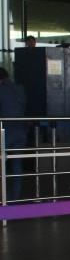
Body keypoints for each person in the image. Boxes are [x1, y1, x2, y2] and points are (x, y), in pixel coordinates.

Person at [0, 67, 27, 201]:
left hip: (5, 131)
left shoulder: (1, 90)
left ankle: (3, 198)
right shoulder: (20, 89)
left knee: (1, 164)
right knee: (17, 165)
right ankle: (14, 198)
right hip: (20, 131)